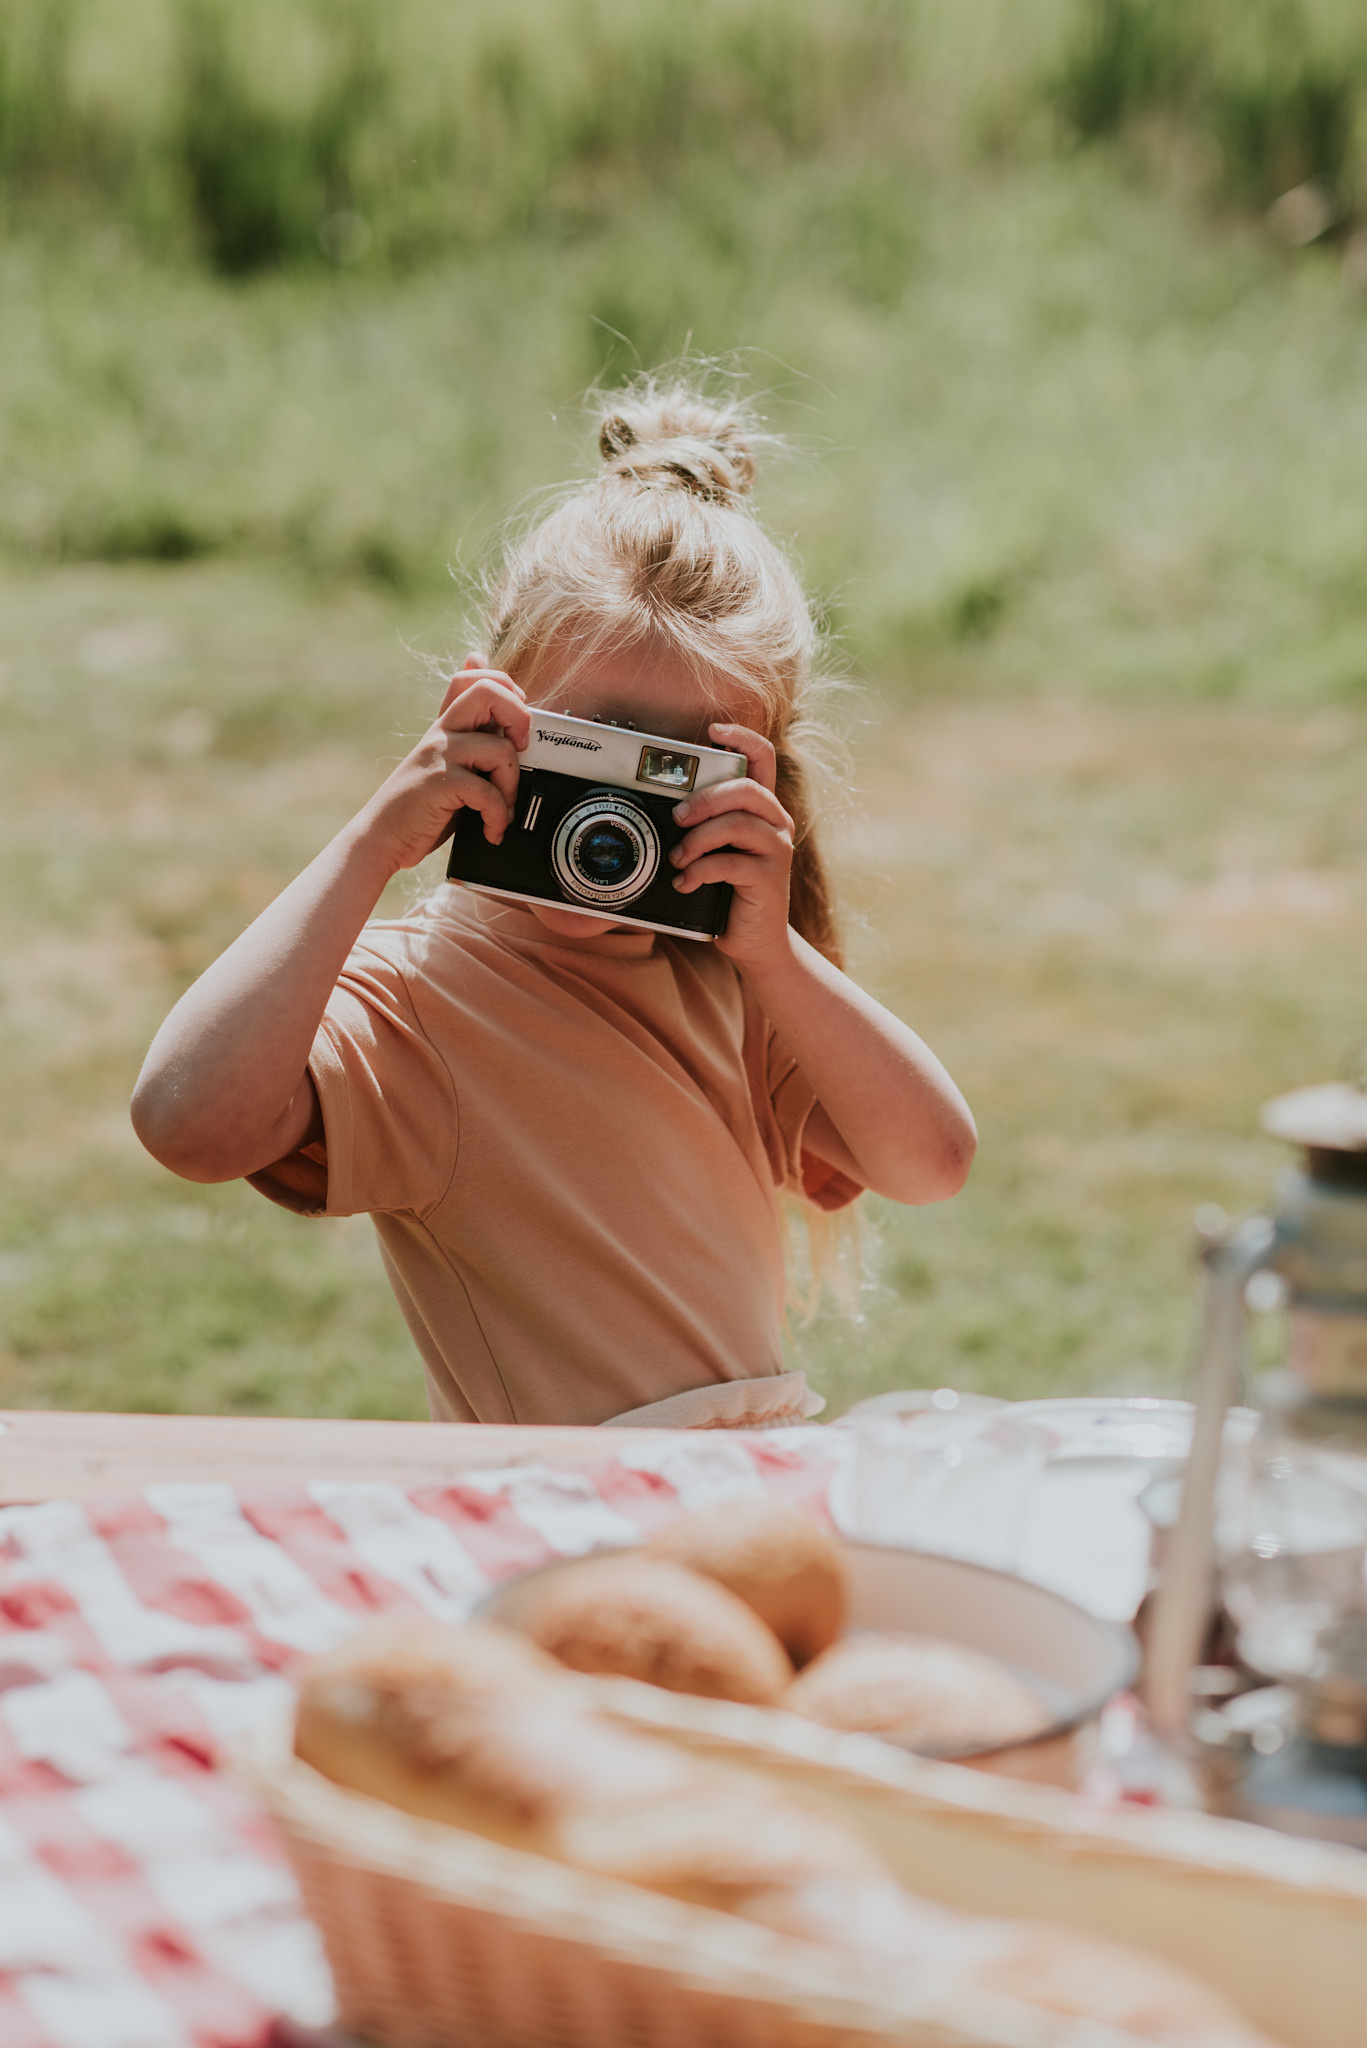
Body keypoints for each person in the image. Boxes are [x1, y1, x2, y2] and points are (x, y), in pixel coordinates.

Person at [131, 383, 976, 1429]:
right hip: (563, 1505)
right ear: (489, 707)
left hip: (748, 1483)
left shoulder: (733, 976)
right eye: (589, 752)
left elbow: (930, 1162)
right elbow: (187, 1123)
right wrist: (370, 846)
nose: (611, 821)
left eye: (668, 771)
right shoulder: (420, 1002)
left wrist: (775, 954)